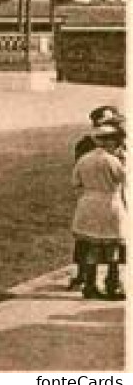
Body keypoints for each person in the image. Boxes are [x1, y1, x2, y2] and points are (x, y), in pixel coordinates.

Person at [72, 124, 127, 300]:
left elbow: (75, 182)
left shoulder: (83, 159)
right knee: (112, 245)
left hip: (87, 204)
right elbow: (124, 179)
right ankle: (112, 285)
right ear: (109, 141)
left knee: (92, 246)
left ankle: (90, 285)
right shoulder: (112, 160)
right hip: (109, 203)